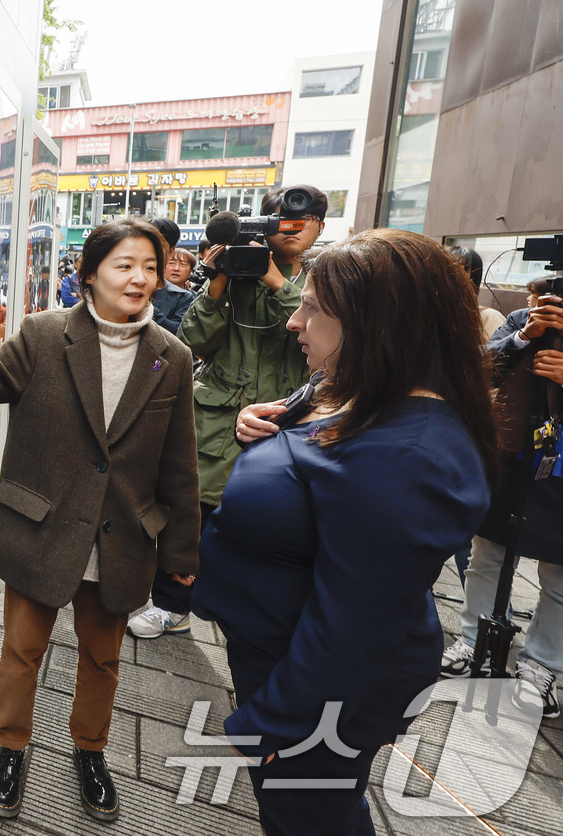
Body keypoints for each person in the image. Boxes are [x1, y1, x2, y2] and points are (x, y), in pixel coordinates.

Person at [198, 229, 496, 836]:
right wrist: (269, 424)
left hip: (316, 691)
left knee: (310, 817)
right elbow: (320, 451)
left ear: (375, 324)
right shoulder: (361, 387)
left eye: (313, 309)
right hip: (280, 650)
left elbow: (354, 630)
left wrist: (270, 725)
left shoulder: (413, 456)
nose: (293, 323)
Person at [0, 218, 199, 823]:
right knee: (21, 650)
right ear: (89, 274)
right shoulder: (42, 334)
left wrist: (183, 559)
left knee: (102, 659)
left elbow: (179, 463)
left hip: (121, 537)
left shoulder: (171, 356)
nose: (139, 278)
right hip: (41, 528)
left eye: (150, 265)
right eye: (124, 265)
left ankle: (90, 750)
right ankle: (10, 748)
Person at [129, 186, 325, 639]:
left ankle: (242, 610)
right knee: (190, 515)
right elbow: (193, 342)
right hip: (217, 419)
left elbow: (329, 338)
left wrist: (276, 281)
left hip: (284, 420)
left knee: (268, 523)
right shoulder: (233, 276)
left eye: (305, 220)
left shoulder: (324, 280)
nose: (292, 229)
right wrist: (218, 280)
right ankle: (171, 605)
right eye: (282, 219)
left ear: (319, 227)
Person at [440, 275, 563, 718]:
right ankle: (471, 640)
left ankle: (540, 667)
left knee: (560, 576)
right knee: (486, 556)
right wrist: (522, 336)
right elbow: (477, 367)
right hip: (510, 456)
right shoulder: (519, 320)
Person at [146, 217, 194, 335]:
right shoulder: (120, 281)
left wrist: (147, 308)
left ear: (171, 251)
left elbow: (180, 333)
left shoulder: (183, 297)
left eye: (157, 245)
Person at [448, 245, 507, 338]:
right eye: (447, 269)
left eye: (460, 270)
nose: (451, 276)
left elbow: (498, 349)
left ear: (473, 278)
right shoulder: (424, 313)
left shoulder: (489, 317)